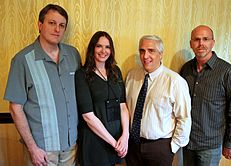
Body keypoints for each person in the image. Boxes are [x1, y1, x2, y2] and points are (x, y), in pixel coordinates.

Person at [4, 4, 81, 166]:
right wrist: (32, 148)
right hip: (42, 151)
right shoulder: (22, 60)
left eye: (61, 25)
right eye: (51, 23)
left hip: (71, 147)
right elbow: (15, 108)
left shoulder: (73, 55)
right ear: (40, 25)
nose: (57, 29)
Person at [180, 25, 231, 166]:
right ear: (191, 44)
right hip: (187, 142)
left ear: (213, 42)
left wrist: (229, 143)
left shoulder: (229, 73)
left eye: (205, 39)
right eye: (196, 40)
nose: (201, 43)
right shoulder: (185, 70)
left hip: (210, 146)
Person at [125, 35, 192, 166]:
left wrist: (172, 147)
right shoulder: (131, 76)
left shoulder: (175, 81)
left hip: (160, 148)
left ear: (161, 54)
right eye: (142, 51)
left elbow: (184, 118)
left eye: (151, 51)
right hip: (133, 145)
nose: (145, 56)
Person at [75, 31, 129, 166]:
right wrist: (113, 143)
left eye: (107, 47)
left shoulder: (116, 71)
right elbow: (88, 116)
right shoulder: (82, 75)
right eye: (99, 46)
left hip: (117, 137)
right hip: (95, 140)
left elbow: (122, 106)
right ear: (92, 48)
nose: (103, 51)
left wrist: (125, 136)